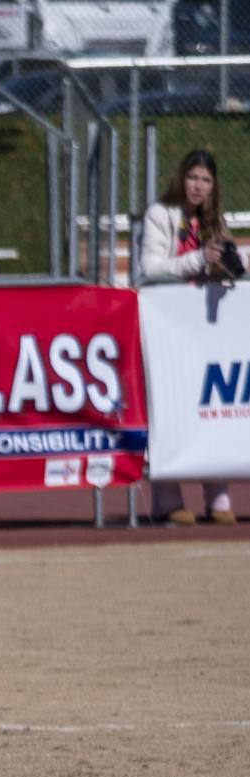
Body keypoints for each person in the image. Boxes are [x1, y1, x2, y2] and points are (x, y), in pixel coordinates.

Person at [138, 148, 239, 527]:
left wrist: (229, 262)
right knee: (168, 409)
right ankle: (167, 497)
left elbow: (225, 269)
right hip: (166, 326)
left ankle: (218, 493)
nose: (198, 186)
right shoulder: (159, 214)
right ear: (181, 178)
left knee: (211, 408)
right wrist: (199, 259)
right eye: (193, 177)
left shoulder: (214, 221)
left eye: (206, 180)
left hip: (205, 330)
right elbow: (150, 268)